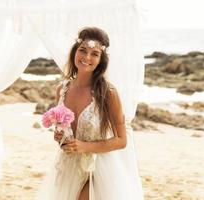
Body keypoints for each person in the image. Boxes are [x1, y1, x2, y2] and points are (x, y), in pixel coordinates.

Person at [36, 27, 144, 200]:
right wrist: (60, 138)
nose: (86, 57)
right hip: (68, 165)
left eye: (94, 54)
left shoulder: (108, 92)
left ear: (101, 60)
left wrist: (85, 146)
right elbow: (66, 131)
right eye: (83, 51)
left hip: (98, 168)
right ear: (74, 53)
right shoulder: (62, 90)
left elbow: (122, 140)